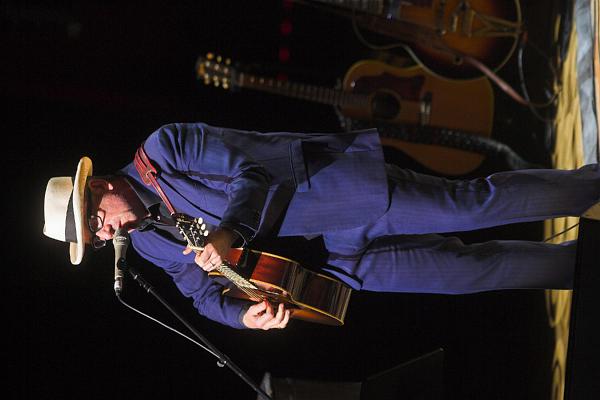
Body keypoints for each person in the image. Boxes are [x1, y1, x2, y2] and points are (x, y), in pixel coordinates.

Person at [43, 122, 600, 330]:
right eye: (96, 240)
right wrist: (245, 316)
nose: (106, 235)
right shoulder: (148, 244)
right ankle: (584, 269)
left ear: (100, 186)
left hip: (341, 194)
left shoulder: (164, 150)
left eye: (96, 221)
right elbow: (201, 297)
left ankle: (590, 186)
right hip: (327, 269)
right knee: (471, 273)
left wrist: (228, 234)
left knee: (473, 206)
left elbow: (250, 172)